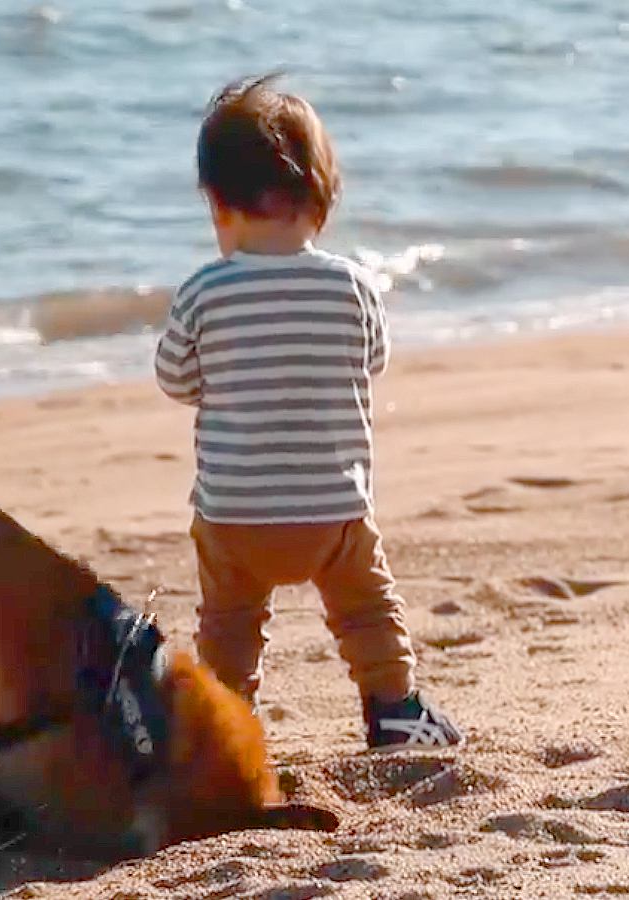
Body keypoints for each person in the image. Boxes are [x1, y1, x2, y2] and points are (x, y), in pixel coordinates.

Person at [154, 73, 462, 750]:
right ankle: (393, 710)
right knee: (367, 610)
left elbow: (174, 378)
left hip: (235, 512)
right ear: (321, 199)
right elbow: (371, 360)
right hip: (334, 509)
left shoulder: (205, 291)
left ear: (217, 205)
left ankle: (226, 725)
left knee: (229, 623)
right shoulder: (352, 285)